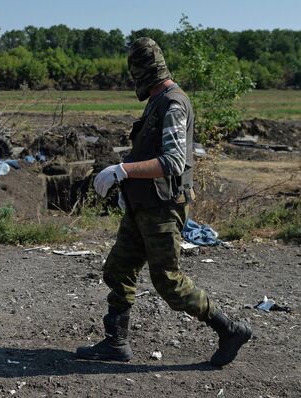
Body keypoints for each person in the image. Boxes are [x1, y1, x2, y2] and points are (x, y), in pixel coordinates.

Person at [76, 37, 252, 367]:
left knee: (168, 282)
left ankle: (229, 330)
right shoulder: (158, 101)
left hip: (162, 207)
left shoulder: (173, 104)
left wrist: (121, 171)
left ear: (142, 72)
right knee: (118, 269)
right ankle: (116, 343)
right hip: (144, 205)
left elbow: (173, 162)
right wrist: (129, 190)